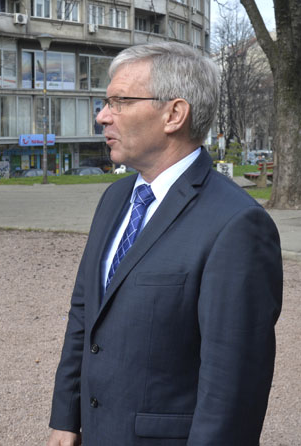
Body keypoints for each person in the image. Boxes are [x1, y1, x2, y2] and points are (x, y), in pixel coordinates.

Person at [47, 42, 282, 445]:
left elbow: (232, 389)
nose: (103, 116)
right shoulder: (115, 199)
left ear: (174, 114)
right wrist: (66, 418)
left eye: (120, 102)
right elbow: (85, 315)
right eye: (106, 102)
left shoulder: (237, 224)